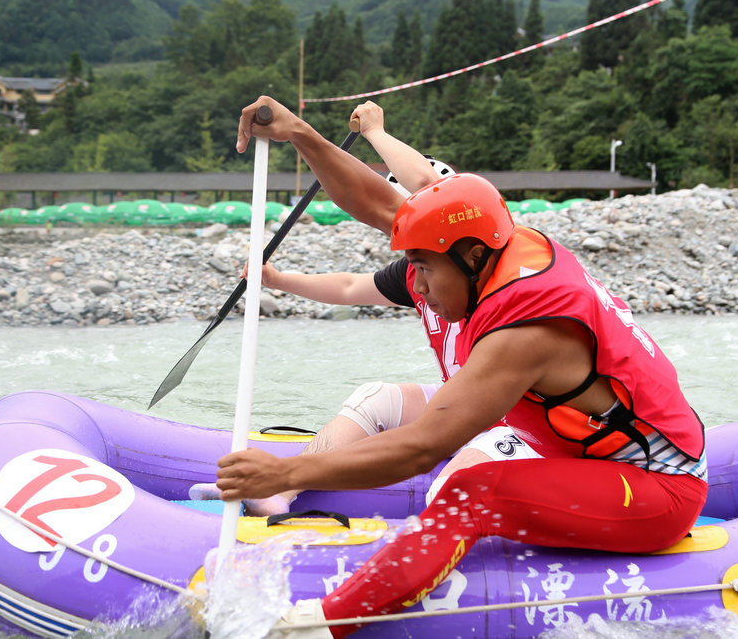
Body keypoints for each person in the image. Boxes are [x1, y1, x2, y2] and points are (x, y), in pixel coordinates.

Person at [218, 99, 708, 638]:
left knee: (473, 490)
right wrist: (301, 133)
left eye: (424, 269)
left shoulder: (528, 327)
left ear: (472, 258)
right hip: (579, 448)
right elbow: (376, 202)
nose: (417, 286)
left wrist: (286, 472)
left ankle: (314, 628)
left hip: (658, 487)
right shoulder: (491, 243)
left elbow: (423, 447)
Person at [198, 100, 537, 516]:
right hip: (467, 402)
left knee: (452, 485)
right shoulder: (418, 275)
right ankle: (278, 494)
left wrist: (375, 131)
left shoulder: (493, 267)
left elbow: (424, 183)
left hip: (524, 416)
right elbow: (348, 287)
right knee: (375, 396)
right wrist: (278, 280)